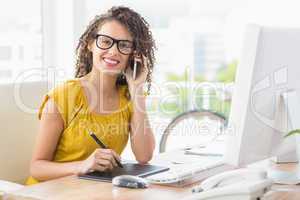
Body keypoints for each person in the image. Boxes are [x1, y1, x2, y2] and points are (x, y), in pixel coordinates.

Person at [26, 6, 156, 185]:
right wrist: (82, 165)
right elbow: (37, 168)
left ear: (133, 55)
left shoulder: (129, 96)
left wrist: (137, 90)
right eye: (105, 41)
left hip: (92, 192)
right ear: (90, 44)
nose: (113, 51)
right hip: (47, 193)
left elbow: (144, 156)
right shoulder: (64, 97)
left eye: (124, 45)